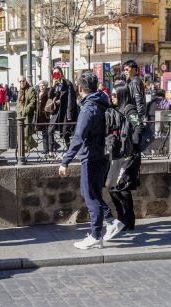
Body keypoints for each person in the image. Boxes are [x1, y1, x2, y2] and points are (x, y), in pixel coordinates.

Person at [58, 72, 110, 250]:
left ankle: (96, 236)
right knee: (93, 193)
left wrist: (65, 161)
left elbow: (78, 137)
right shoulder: (102, 102)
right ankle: (108, 223)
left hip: (91, 156)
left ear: (80, 88)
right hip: (102, 154)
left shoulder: (89, 108)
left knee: (91, 196)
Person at [105, 82, 144, 235]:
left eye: (115, 95)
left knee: (123, 187)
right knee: (112, 186)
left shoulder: (129, 109)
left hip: (128, 155)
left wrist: (132, 143)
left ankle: (128, 219)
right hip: (118, 155)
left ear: (122, 94)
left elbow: (139, 126)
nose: (112, 97)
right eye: (111, 95)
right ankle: (122, 216)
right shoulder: (116, 109)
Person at [48, 67, 78, 152]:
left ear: (61, 73)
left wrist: (69, 114)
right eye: (54, 74)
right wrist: (53, 86)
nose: (56, 75)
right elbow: (49, 96)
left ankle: (69, 150)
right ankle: (51, 151)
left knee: (65, 133)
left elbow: (70, 100)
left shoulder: (68, 84)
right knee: (50, 130)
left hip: (64, 111)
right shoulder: (54, 84)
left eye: (58, 73)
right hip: (56, 111)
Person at [16, 76, 37, 151]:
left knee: (26, 132)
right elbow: (18, 102)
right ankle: (27, 146)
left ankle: (26, 148)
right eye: (20, 81)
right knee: (20, 132)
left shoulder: (31, 89)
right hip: (20, 114)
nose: (22, 82)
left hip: (27, 114)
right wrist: (18, 110)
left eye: (23, 81)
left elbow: (33, 102)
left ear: (26, 81)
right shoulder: (19, 90)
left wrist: (26, 110)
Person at [35, 80, 50, 154]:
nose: (42, 87)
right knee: (43, 132)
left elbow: (49, 104)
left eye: (43, 85)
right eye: (40, 86)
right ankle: (53, 145)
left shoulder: (47, 94)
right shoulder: (37, 94)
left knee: (45, 132)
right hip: (39, 116)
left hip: (45, 115)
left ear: (46, 86)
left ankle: (46, 149)